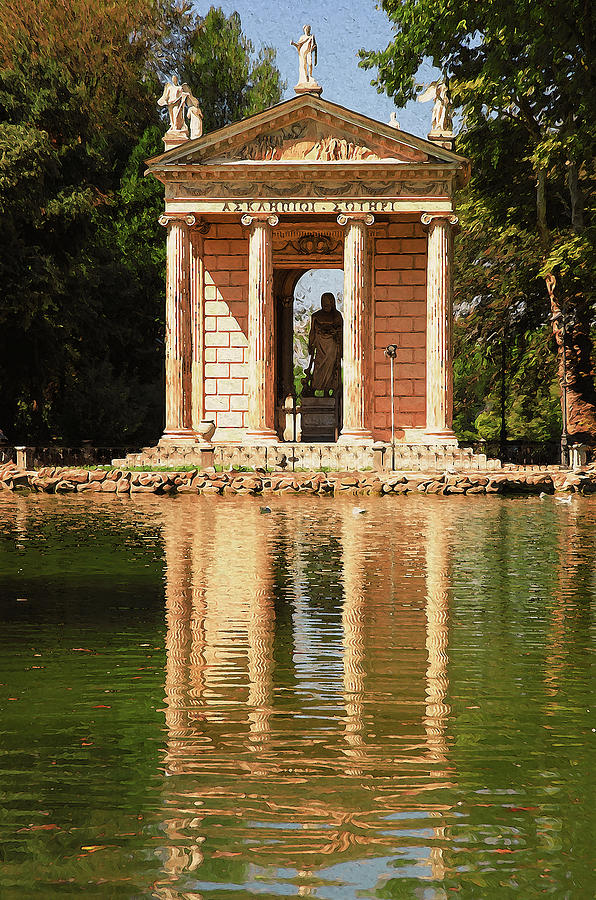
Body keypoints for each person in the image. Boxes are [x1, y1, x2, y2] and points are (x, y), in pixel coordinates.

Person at [303, 293, 343, 396]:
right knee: (318, 365)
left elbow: (340, 331)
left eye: (328, 302)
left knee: (331, 366)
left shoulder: (337, 315)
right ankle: (315, 387)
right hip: (320, 344)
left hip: (332, 345)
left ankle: (328, 389)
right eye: (323, 302)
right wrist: (310, 345)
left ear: (332, 302)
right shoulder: (316, 316)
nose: (325, 304)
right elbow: (312, 331)